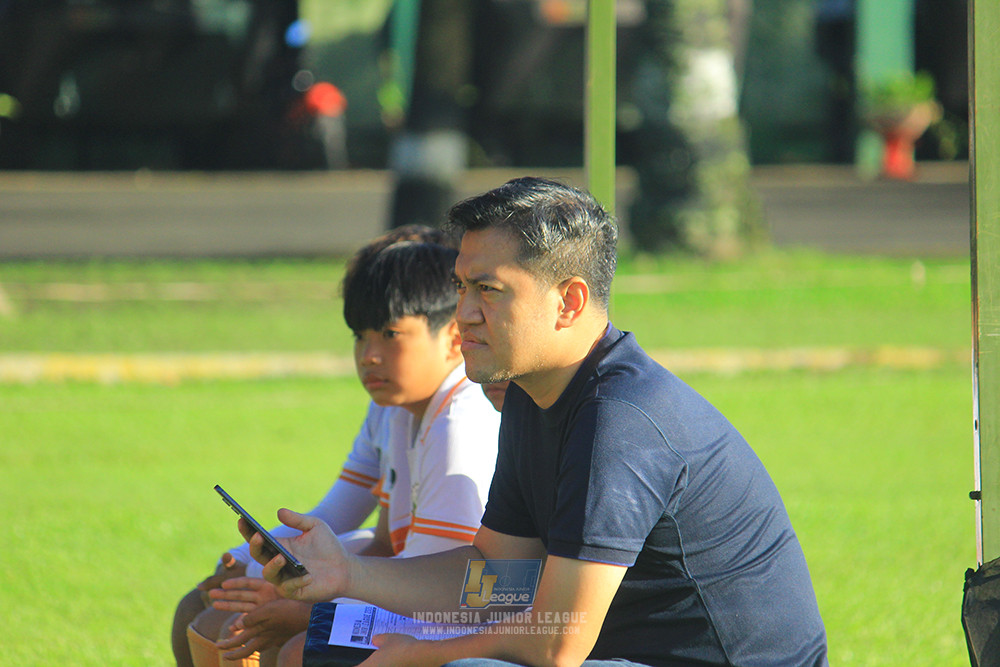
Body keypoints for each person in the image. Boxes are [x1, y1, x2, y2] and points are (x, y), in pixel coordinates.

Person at [239, 177, 829, 666]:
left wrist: (420, 654)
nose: (464, 315)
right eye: (462, 287)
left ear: (569, 302)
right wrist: (346, 573)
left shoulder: (618, 422)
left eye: (489, 291)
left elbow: (556, 645)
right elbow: (495, 578)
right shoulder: (532, 394)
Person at [174, 232, 502, 667]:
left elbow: (437, 589)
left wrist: (305, 609)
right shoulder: (400, 408)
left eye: (389, 334)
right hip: (427, 600)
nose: (368, 356)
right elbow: (364, 530)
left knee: (288, 648)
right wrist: (250, 566)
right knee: (200, 612)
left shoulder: (459, 424)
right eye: (360, 337)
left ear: (453, 338)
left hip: (465, 618)